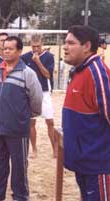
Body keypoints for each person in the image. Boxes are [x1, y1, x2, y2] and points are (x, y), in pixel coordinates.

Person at [0, 36, 42, 201]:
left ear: (19, 51)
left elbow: (36, 100)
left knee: (19, 166)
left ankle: (20, 196)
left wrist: (22, 116)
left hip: (17, 128)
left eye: (10, 48)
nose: (6, 51)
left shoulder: (27, 73)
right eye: (4, 48)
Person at [63, 25, 110, 201]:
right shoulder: (77, 72)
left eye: (71, 43)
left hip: (98, 165)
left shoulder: (97, 73)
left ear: (87, 46)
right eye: (65, 42)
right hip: (82, 163)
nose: (65, 47)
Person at [21, 34, 56, 158]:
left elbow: (47, 75)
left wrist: (38, 62)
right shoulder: (25, 57)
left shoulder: (49, 57)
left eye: (38, 46)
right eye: (33, 46)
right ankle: (34, 150)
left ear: (42, 45)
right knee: (31, 123)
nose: (36, 49)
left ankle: (55, 149)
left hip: (45, 92)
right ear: (30, 45)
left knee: (50, 122)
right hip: (30, 93)